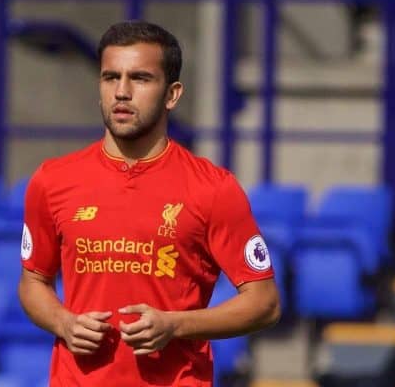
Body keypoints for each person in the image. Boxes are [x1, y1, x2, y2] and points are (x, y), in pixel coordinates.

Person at [18, 20, 281, 387]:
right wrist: (63, 322)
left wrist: (175, 325)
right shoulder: (52, 181)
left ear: (172, 94)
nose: (122, 92)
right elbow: (33, 281)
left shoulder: (213, 188)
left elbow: (264, 302)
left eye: (140, 78)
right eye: (111, 78)